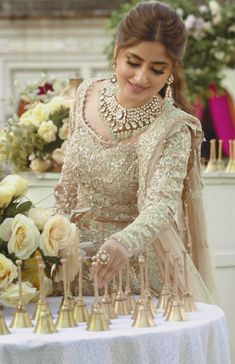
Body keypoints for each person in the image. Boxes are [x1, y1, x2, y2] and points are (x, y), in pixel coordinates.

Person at [54, 1, 215, 302]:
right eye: (133, 62)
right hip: (72, 266)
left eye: (157, 69)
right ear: (117, 52)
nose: (141, 78)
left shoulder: (174, 127)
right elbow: (67, 188)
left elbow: (162, 205)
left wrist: (123, 244)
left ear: (171, 72)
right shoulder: (86, 94)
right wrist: (49, 239)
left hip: (137, 273)